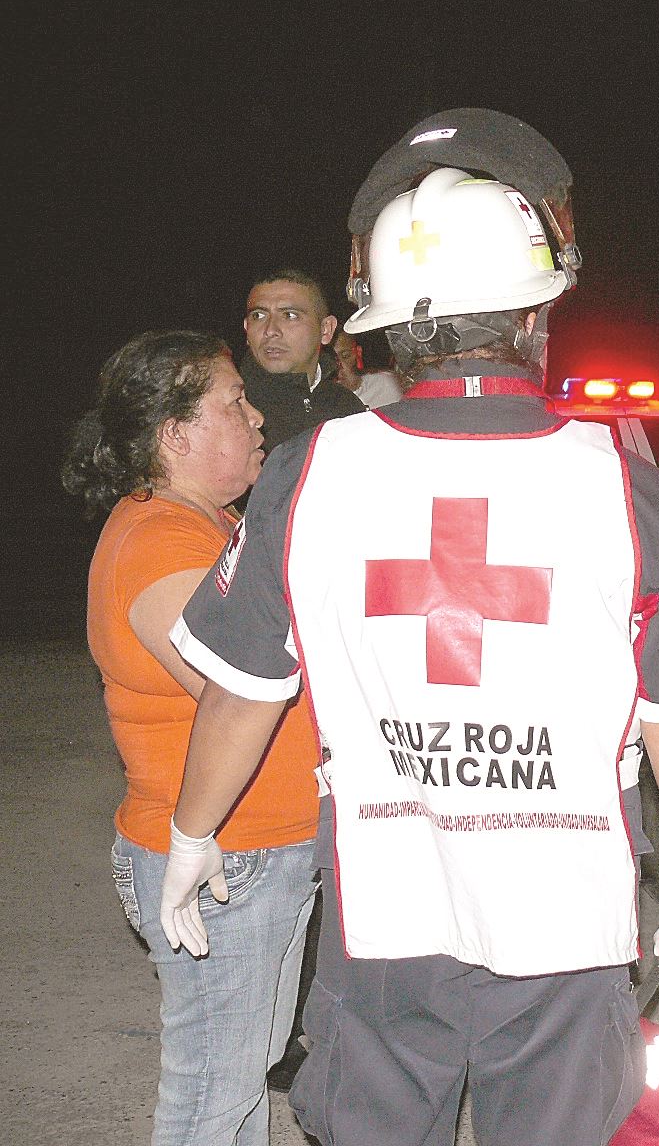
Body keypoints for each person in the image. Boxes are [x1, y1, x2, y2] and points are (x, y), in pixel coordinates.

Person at [157, 108, 659, 1146]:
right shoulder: (622, 483)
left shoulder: (309, 472)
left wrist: (190, 832)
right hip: (567, 928)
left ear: (381, 324)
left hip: (384, 920)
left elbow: (245, 687)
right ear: (535, 313)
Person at [61, 330, 319, 1146]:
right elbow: (232, 689)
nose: (255, 419)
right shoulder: (158, 543)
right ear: (175, 435)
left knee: (244, 1072)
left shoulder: (208, 525)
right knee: (212, 1092)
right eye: (233, 405)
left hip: (260, 851)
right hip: (221, 862)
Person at [239, 267, 365, 456]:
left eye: (290, 315)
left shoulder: (345, 405)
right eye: (259, 315)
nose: (271, 330)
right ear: (247, 328)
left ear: (325, 330)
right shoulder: (235, 410)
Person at [331, 329, 404, 408]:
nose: (339, 365)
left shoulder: (387, 384)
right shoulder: (324, 402)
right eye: (332, 359)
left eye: (345, 356)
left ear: (358, 352)